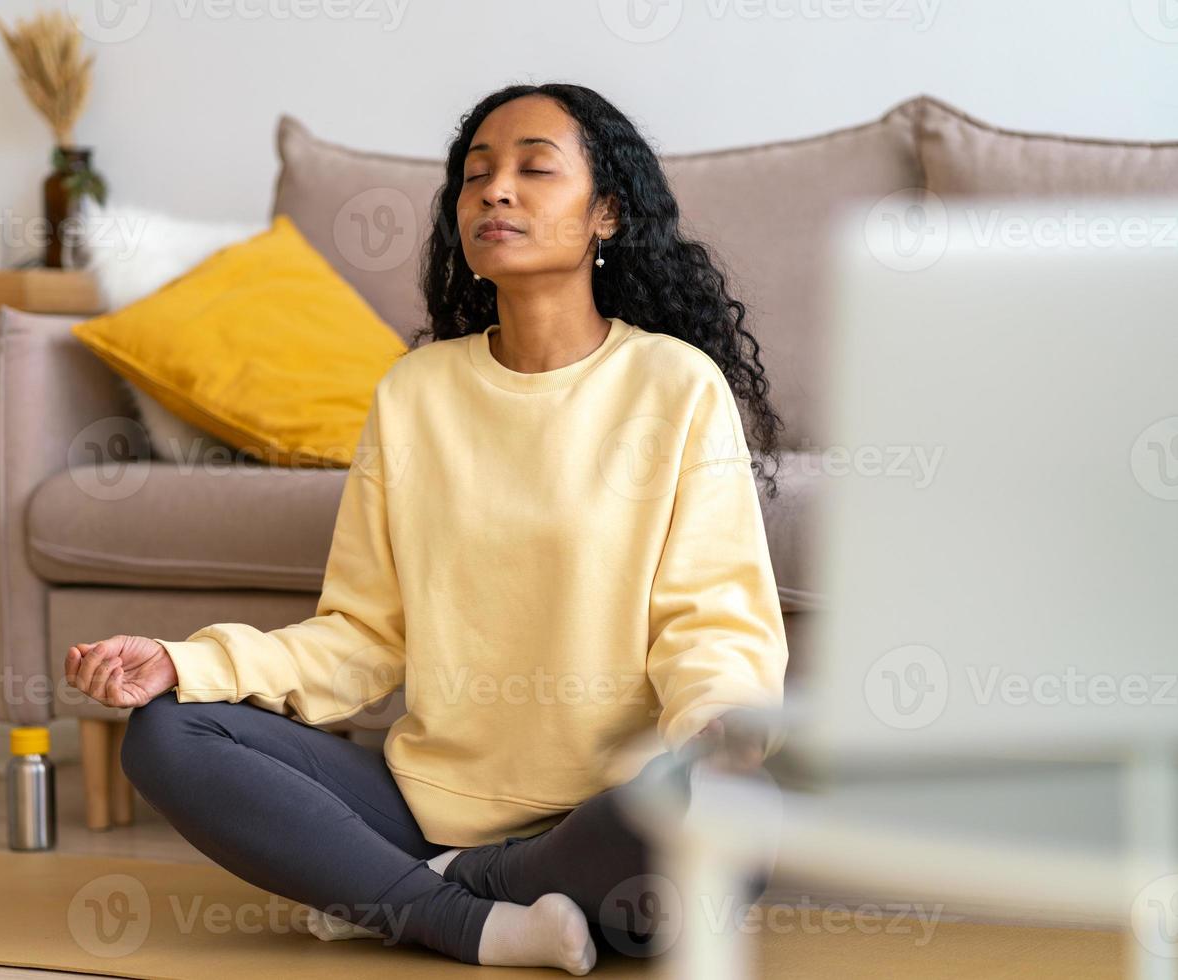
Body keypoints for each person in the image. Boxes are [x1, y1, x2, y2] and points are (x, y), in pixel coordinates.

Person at [65, 82, 789, 975]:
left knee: (723, 827)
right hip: (425, 797)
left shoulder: (673, 385)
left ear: (605, 213)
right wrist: (189, 663)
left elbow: (711, 617)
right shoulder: (415, 393)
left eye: (534, 169)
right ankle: (470, 915)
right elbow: (363, 636)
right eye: (475, 175)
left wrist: (717, 729)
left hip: (608, 805)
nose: (494, 191)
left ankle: (418, 893)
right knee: (167, 733)